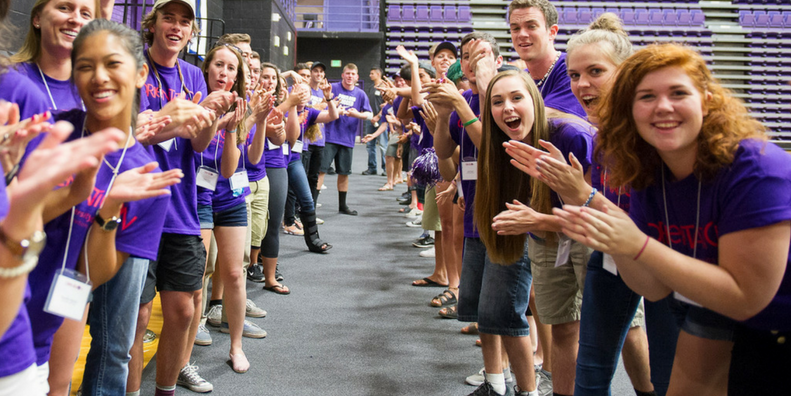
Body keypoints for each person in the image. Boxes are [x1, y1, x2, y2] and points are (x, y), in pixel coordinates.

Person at [552, 43, 791, 396]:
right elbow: (653, 287)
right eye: (646, 96)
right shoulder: (649, 174)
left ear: (707, 101)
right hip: (710, 308)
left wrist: (636, 243)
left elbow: (746, 296)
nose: (662, 106)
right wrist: (617, 244)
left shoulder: (756, 169)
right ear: (629, 111)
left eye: (678, 93)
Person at [21, 18, 182, 395]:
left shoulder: (147, 180)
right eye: (85, 66)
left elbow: (93, 275)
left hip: (56, 309)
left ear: (141, 73)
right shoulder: (51, 133)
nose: (98, 77)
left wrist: (108, 207)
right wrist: (75, 193)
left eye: (112, 64)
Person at [505, 13, 659, 396]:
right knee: (589, 363)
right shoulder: (604, 134)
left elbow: (637, 223)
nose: (582, 84)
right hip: (610, 259)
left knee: (653, 355)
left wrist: (578, 197)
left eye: (595, 72)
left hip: (655, 271)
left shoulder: (641, 135)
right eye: (574, 75)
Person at [127, 0, 232, 394]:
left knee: (183, 310)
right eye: (168, 18)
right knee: (136, 317)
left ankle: (165, 389)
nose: (176, 26)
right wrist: (181, 118)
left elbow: (200, 144)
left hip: (183, 208)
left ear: (192, 32)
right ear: (152, 25)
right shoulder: (135, 65)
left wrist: (209, 117)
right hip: (137, 208)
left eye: (185, 21)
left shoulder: (193, 75)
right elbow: (138, 130)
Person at [12, 0, 100, 112]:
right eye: (64, 8)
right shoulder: (8, 79)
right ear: (37, 18)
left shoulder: (97, 87)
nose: (76, 20)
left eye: (85, 14)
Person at [283, 82, 337, 252]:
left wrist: (328, 98)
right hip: (274, 161)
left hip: (293, 159)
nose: (303, 95)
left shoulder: (309, 111)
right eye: (299, 91)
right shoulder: (282, 108)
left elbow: (332, 116)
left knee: (307, 200)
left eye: (306, 93)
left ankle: (313, 239)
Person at [318, 63, 372, 216]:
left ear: (357, 77)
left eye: (352, 74)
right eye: (347, 73)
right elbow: (320, 105)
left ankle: (342, 205)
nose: (349, 76)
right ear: (342, 75)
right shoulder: (333, 88)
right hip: (329, 136)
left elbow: (369, 115)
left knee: (344, 173)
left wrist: (357, 115)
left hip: (347, 139)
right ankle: (312, 204)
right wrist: (334, 108)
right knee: (321, 171)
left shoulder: (360, 94)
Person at [362, 66, 386, 176]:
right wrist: (371, 116)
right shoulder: (371, 87)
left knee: (383, 144)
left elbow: (387, 104)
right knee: (369, 144)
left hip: (382, 119)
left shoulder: (384, 87)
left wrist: (378, 115)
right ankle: (372, 167)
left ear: (378, 74)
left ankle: (386, 169)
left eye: (372, 73)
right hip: (371, 119)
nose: (370, 75)